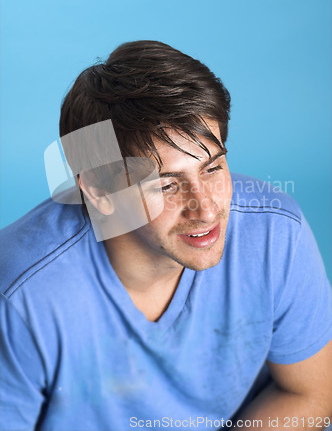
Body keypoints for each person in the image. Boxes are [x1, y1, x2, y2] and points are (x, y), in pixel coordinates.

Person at [0, 40, 331, 431]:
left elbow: (310, 393)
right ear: (100, 191)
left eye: (212, 168)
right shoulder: (20, 294)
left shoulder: (275, 234)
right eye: (166, 185)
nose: (207, 209)